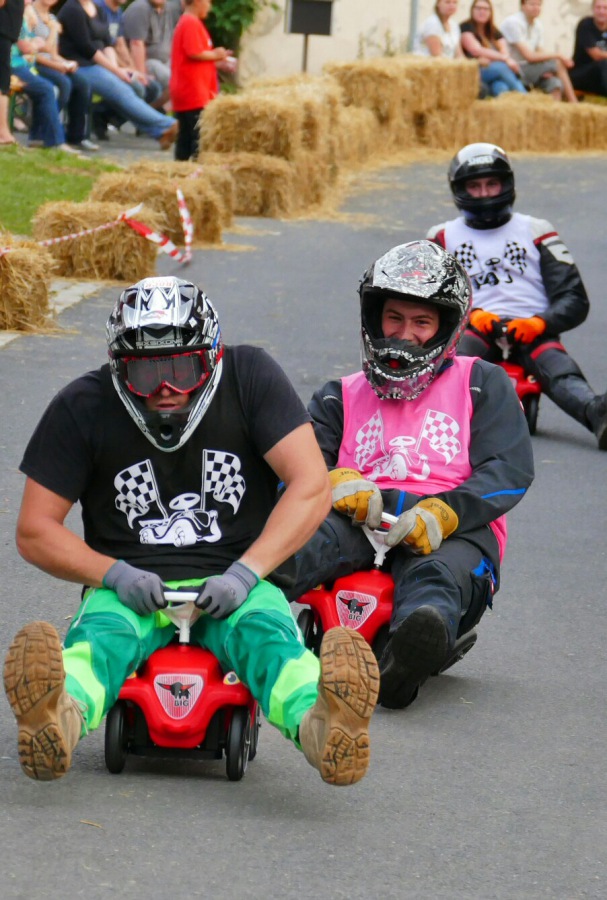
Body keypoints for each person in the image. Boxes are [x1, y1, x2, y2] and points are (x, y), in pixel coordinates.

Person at [2, 276, 379, 786]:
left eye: (182, 367)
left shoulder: (249, 376)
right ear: (119, 365)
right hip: (129, 586)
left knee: (270, 642)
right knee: (100, 643)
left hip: (235, 581)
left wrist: (248, 573)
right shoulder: (83, 405)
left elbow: (310, 484)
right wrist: (112, 574)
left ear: (212, 356)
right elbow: (34, 530)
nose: (166, 388)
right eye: (146, 371)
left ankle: (324, 722)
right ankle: (58, 713)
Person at [288, 240, 534, 710]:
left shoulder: (482, 382)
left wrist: (444, 513)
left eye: (422, 322)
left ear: (447, 327)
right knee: (293, 547)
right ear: (374, 318)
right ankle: (242, 629)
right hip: (357, 514)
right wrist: (337, 481)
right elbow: (296, 464)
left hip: (450, 528)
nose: (406, 334)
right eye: (394, 318)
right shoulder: (339, 394)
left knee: (434, 581)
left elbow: (511, 469)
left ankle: (407, 662)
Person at [427, 142, 607, 449]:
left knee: (560, 370)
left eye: (492, 183)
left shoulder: (537, 230)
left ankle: (597, 413)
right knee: (453, 367)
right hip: (472, 328)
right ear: (459, 189)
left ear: (507, 184)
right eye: (474, 186)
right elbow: (429, 297)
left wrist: (540, 323)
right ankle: (429, 426)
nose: (484, 193)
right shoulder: (441, 236)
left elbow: (575, 298)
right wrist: (471, 315)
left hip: (532, 330)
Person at [57, 0, 178, 149]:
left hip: (100, 64)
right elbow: (87, 48)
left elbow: (107, 43)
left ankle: (159, 132)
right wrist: (115, 71)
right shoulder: (72, 9)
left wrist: (117, 69)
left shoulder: (97, 9)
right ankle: (168, 125)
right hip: (78, 65)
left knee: (134, 87)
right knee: (123, 91)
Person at [10, 0, 81, 152]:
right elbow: (27, 47)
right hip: (14, 65)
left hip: (24, 64)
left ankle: (39, 136)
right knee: (47, 89)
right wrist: (36, 43)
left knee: (62, 85)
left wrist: (64, 64)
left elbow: (49, 51)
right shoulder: (17, 13)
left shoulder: (28, 15)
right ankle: (56, 141)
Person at [30, 0, 99, 150]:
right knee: (63, 83)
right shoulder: (30, 15)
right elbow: (34, 52)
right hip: (35, 63)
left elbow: (53, 53)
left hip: (51, 63)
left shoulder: (53, 19)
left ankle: (76, 136)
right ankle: (41, 131)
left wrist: (66, 63)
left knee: (82, 83)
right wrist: (57, 65)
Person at [170, 0, 232, 161]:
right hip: (193, 93)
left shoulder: (189, 22)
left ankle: (181, 171)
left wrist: (218, 61)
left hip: (189, 91)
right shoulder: (190, 22)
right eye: (208, 2)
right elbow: (194, 52)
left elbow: (196, 58)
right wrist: (217, 54)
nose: (210, 6)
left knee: (186, 138)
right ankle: (194, 174)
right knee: (199, 140)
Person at [500, 0, 578, 103]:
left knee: (555, 83)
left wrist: (545, 69)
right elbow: (529, 56)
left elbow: (540, 53)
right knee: (557, 63)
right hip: (514, 69)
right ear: (522, 6)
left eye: (539, 5)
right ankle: (574, 103)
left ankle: (555, 114)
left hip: (531, 69)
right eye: (532, 4)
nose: (536, 7)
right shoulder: (513, 23)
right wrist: (559, 55)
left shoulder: (538, 25)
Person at [460, 0, 527, 97]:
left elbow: (504, 51)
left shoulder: (493, 30)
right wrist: (504, 59)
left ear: (490, 12)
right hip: (476, 71)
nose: (482, 11)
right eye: (478, 8)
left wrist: (500, 58)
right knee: (502, 67)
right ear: (472, 10)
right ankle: (526, 97)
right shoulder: (466, 27)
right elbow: (475, 50)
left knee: (500, 86)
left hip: (493, 70)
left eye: (486, 9)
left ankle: (507, 108)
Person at [122, 0, 180, 110]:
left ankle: (153, 112)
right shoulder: (141, 8)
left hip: (163, 60)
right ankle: (146, 114)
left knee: (187, 75)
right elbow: (136, 44)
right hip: (140, 62)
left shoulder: (168, 9)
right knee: (174, 81)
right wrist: (141, 75)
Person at [570, 0, 607, 98]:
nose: (601, 11)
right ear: (593, 9)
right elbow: (596, 56)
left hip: (601, 79)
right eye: (598, 8)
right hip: (581, 74)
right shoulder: (586, 25)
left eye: (605, 8)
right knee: (604, 63)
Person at [0, 0, 24, 145]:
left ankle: (3, 130)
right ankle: (3, 131)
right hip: (2, 32)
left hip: (6, 33)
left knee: (3, 84)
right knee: (2, 84)